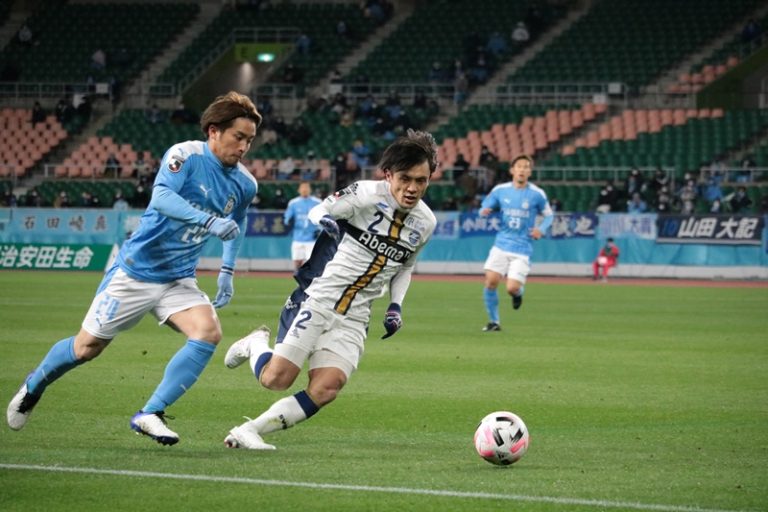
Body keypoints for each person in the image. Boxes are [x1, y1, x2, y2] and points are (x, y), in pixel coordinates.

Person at [6, 91, 262, 446]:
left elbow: (238, 221)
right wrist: (207, 221)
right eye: (239, 137)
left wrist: (227, 270)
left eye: (250, 140)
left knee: (208, 332)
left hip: (178, 278)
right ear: (214, 131)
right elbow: (162, 197)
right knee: (86, 348)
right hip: (135, 272)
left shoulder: (245, 183)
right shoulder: (185, 156)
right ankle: (34, 385)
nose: (244, 147)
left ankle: (150, 413)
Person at [221, 129, 439, 450]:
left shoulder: (426, 222)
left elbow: (405, 266)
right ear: (388, 174)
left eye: (421, 181)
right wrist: (325, 221)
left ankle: (250, 430)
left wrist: (396, 306)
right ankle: (255, 345)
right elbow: (319, 209)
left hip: (356, 315)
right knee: (276, 380)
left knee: (326, 388)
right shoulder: (365, 194)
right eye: (405, 179)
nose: (412, 188)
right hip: (318, 298)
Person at [479, 155, 553, 332]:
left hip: (522, 248)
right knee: (490, 282)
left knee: (511, 288)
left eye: (526, 167)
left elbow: (549, 216)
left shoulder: (537, 194)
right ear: (512, 170)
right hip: (501, 244)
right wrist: (484, 210)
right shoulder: (501, 190)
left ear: (530, 172)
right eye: (519, 166)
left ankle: (518, 294)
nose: (522, 170)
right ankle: (494, 322)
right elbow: (486, 204)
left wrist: (541, 229)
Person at [284, 181, 322, 269]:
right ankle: (298, 278)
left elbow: (323, 218)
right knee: (297, 262)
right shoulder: (293, 203)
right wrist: (288, 221)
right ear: (299, 190)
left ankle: (311, 278)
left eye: (306, 187)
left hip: (312, 238)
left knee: (312, 263)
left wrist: (320, 230)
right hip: (298, 238)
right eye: (302, 187)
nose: (304, 189)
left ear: (310, 190)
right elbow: (287, 219)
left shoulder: (317, 202)